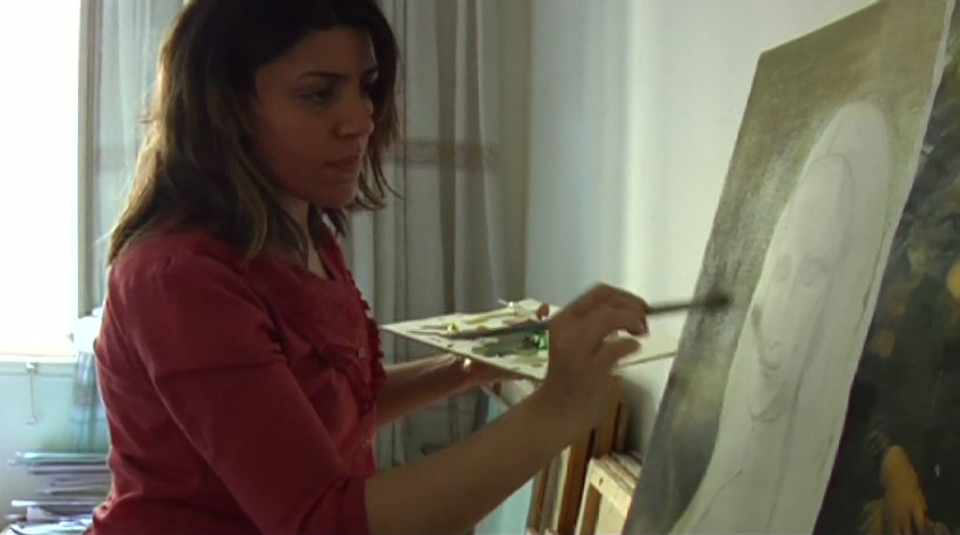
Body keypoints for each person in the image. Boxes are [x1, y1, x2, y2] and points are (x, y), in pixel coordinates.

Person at [87, 1, 651, 534]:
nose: (361, 120)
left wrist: (472, 364)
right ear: (225, 110)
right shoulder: (181, 279)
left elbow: (328, 412)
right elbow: (324, 521)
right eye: (318, 95)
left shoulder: (300, 234)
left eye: (366, 87)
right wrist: (556, 413)